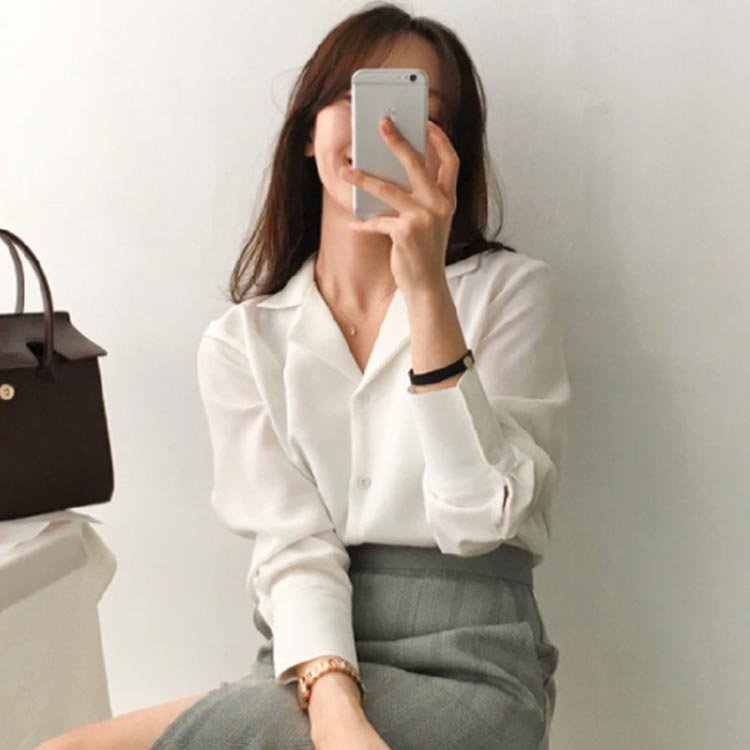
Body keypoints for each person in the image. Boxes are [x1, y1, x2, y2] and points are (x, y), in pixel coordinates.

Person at [35, 3, 570, 749]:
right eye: (356, 97)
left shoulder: (510, 293)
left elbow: (481, 520)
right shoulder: (243, 343)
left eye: (415, 108)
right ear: (306, 135)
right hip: (308, 660)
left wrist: (425, 288)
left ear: (452, 151)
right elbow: (293, 550)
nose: (385, 129)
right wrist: (335, 710)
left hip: (475, 661)